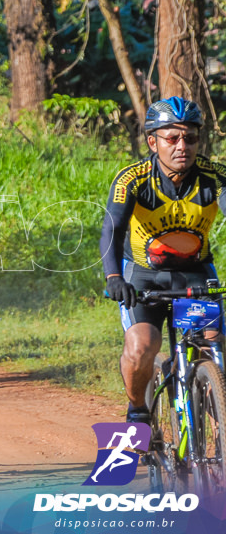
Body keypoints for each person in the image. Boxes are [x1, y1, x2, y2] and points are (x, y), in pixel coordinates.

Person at [102, 97, 226, 424]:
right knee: (144, 345)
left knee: (213, 347)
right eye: (172, 138)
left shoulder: (215, 177)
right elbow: (111, 233)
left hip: (195, 274)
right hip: (143, 276)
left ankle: (216, 430)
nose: (182, 145)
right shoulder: (133, 179)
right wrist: (114, 277)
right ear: (152, 141)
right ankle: (138, 410)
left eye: (190, 137)